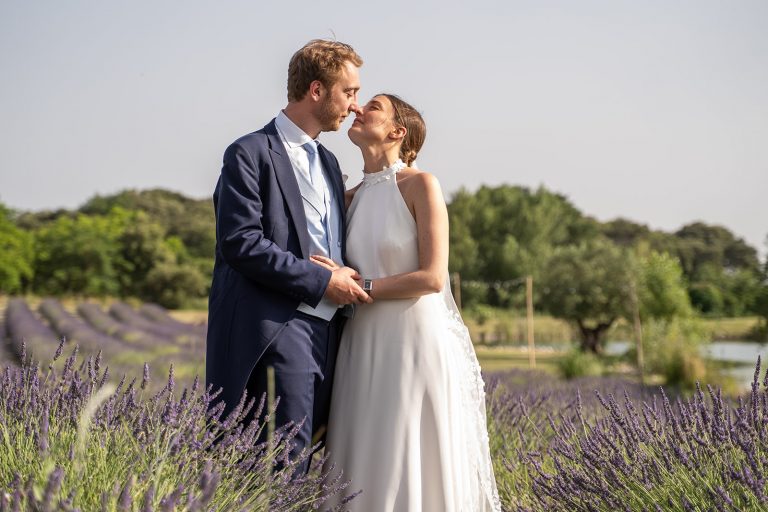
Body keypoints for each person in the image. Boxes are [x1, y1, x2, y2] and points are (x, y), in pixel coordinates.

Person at [316, 94, 501, 510]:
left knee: (408, 451)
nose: (358, 109)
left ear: (398, 132)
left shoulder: (420, 185)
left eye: (374, 107)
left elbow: (433, 277)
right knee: (364, 453)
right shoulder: (346, 199)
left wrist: (361, 285)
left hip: (413, 342)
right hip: (360, 343)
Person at [205, 39, 372, 474]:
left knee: (313, 464)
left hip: (334, 335)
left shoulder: (331, 163)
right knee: (282, 467)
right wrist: (321, 282)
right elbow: (240, 243)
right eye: (349, 92)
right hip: (280, 329)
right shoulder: (249, 152)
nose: (355, 106)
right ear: (317, 90)